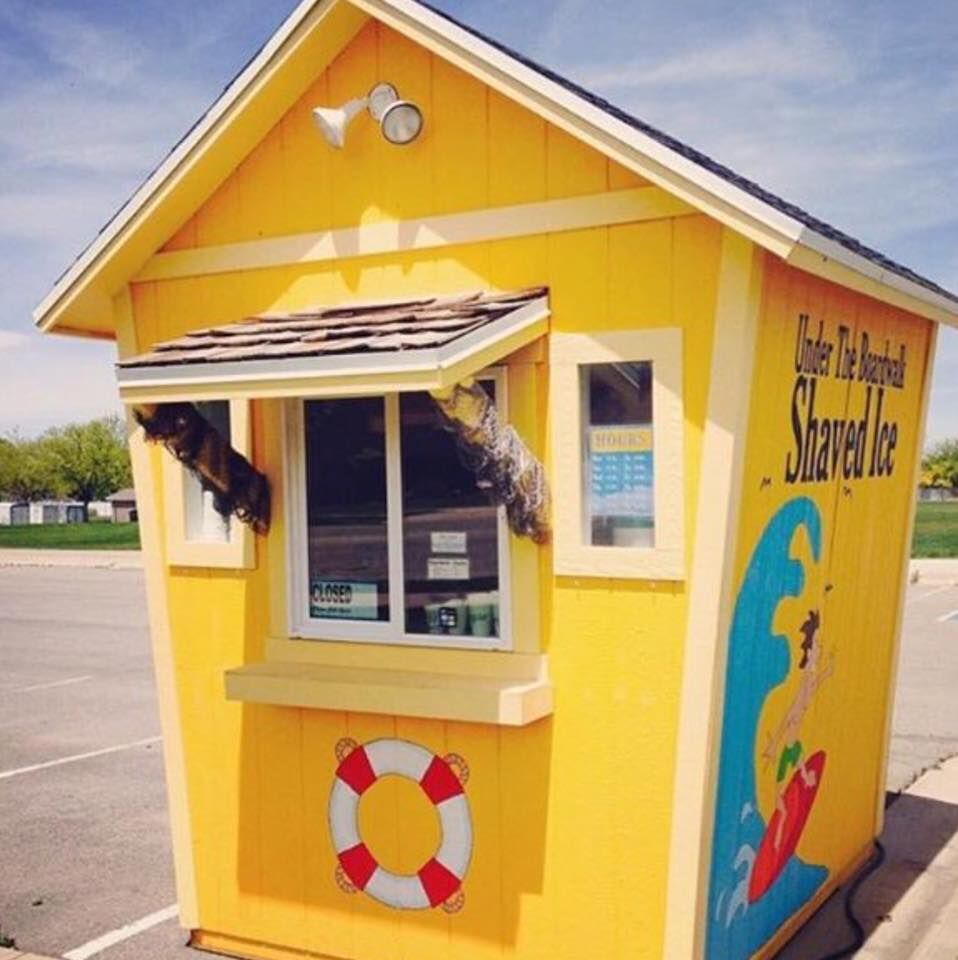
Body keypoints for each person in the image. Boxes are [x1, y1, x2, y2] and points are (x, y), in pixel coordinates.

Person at [761, 609, 835, 849]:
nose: (819, 649)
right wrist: (774, 746)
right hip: (788, 750)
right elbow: (790, 716)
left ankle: (781, 834)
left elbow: (812, 687)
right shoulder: (803, 683)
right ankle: (777, 841)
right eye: (817, 646)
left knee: (800, 778)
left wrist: (826, 671)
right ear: (810, 651)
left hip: (795, 748)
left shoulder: (808, 680)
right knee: (781, 804)